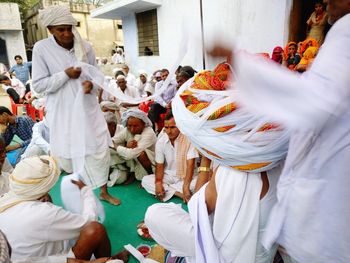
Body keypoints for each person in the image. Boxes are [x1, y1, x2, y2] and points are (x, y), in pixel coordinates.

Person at [207, 1, 350, 262]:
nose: (326, 2)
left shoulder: (346, 32)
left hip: (324, 218)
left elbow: (311, 101)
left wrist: (240, 60)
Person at [31, 5, 120, 205]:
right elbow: (38, 85)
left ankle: (104, 191)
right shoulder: (41, 49)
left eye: (69, 28)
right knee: (70, 153)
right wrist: (65, 75)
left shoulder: (86, 47)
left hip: (88, 108)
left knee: (99, 148)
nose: (66, 33)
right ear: (51, 30)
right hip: (63, 112)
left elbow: (96, 75)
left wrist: (92, 85)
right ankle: (82, 196)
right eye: (60, 29)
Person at [0, 156, 128, 262]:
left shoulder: (5, 199)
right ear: (45, 186)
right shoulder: (44, 213)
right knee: (96, 230)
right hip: (45, 260)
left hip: (23, 258)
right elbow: (88, 222)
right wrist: (86, 191)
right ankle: (108, 260)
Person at [141, 111, 198, 202]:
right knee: (146, 180)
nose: (169, 131)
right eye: (166, 128)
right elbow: (159, 165)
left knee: (199, 183)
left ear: (180, 126)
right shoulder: (161, 141)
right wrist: (158, 183)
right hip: (169, 175)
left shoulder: (188, 140)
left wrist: (186, 187)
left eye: (172, 127)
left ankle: (168, 190)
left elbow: (190, 165)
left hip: (187, 177)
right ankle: (178, 193)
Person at [111, 109, 156, 185]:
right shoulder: (127, 130)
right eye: (129, 125)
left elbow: (131, 154)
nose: (132, 129)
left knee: (140, 154)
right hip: (134, 161)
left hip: (152, 163)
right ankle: (131, 172)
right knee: (111, 148)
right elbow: (112, 141)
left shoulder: (149, 133)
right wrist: (125, 146)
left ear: (143, 124)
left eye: (135, 126)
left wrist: (118, 146)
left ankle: (151, 177)